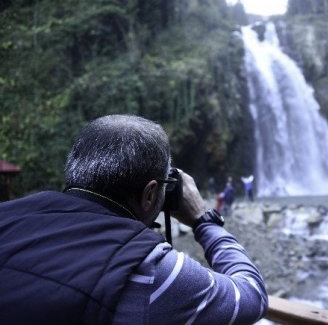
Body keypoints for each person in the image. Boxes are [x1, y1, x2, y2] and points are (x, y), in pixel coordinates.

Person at [0, 115, 268, 324]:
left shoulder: (7, 215)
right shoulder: (152, 270)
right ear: (150, 193)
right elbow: (252, 295)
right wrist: (203, 220)